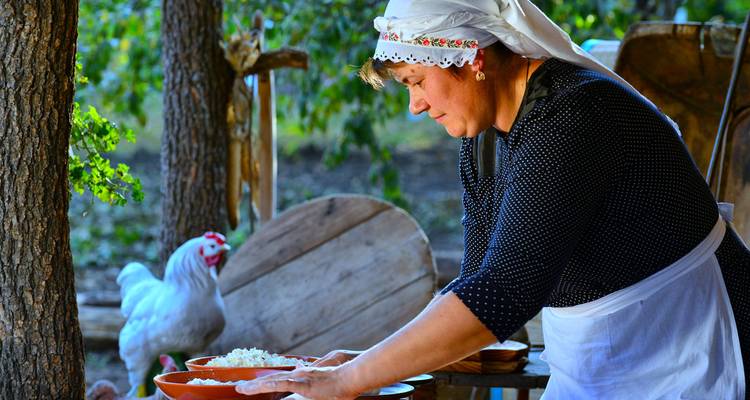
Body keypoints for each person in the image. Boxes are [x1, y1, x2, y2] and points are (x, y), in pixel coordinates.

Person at [237, 0, 750, 398]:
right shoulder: (482, 141)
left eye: (416, 82)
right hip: (607, 367)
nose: (415, 106)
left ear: (472, 59)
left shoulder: (573, 115)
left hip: (695, 352)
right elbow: (476, 281)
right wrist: (361, 360)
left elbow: (504, 294)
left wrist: (352, 379)